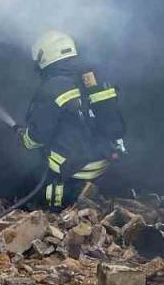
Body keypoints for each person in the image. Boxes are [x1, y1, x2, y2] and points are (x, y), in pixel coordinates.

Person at [14, 30, 126, 208]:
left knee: (29, 188)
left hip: (72, 173)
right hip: (104, 163)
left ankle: (54, 209)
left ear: (44, 57)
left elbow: (36, 139)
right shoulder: (93, 77)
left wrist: (23, 136)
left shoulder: (52, 88)